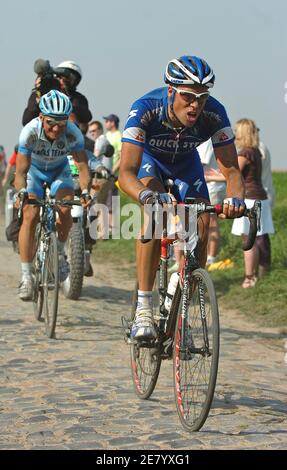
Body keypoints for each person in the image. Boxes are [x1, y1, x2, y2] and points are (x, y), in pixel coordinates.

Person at [119, 55, 245, 340]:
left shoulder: (215, 113)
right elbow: (126, 172)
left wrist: (235, 199)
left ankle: (181, 304)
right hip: (150, 162)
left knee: (201, 222)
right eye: (188, 96)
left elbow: (232, 171)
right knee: (155, 216)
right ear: (171, 91)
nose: (195, 105)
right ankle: (143, 308)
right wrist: (146, 194)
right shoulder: (145, 109)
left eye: (202, 97)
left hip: (186, 163)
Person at [15, 90, 90, 301]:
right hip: (34, 174)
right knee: (29, 214)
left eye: (62, 123)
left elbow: (82, 167)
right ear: (41, 117)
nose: (56, 129)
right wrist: (22, 193)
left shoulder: (73, 133)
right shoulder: (29, 133)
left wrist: (85, 192)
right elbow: (20, 172)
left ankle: (58, 253)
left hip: (60, 172)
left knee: (66, 208)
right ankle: (26, 276)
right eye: (50, 123)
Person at [231, 119, 274, 288]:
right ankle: (256, 274)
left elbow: (233, 175)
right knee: (256, 238)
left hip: (248, 199)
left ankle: (249, 277)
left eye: (236, 130)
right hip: (259, 198)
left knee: (248, 240)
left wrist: (208, 176)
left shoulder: (245, 153)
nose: (234, 134)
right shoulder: (256, 151)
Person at [22, 59, 92, 126]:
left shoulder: (79, 98)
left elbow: (87, 117)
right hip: (43, 135)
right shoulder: (42, 94)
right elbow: (26, 121)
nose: (63, 81)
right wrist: (38, 98)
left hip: (68, 135)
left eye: (70, 78)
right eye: (60, 77)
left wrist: (65, 103)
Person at [256, 136, 275, 277]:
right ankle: (261, 267)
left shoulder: (258, 148)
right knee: (260, 234)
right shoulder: (259, 147)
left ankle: (264, 268)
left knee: (260, 234)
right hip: (263, 192)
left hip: (261, 193)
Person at [103, 114, 122, 232]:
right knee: (104, 200)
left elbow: (121, 156)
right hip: (104, 172)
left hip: (112, 173)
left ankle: (112, 227)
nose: (105, 124)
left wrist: (112, 170)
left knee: (111, 200)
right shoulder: (107, 135)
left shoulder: (119, 136)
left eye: (107, 121)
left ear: (113, 123)